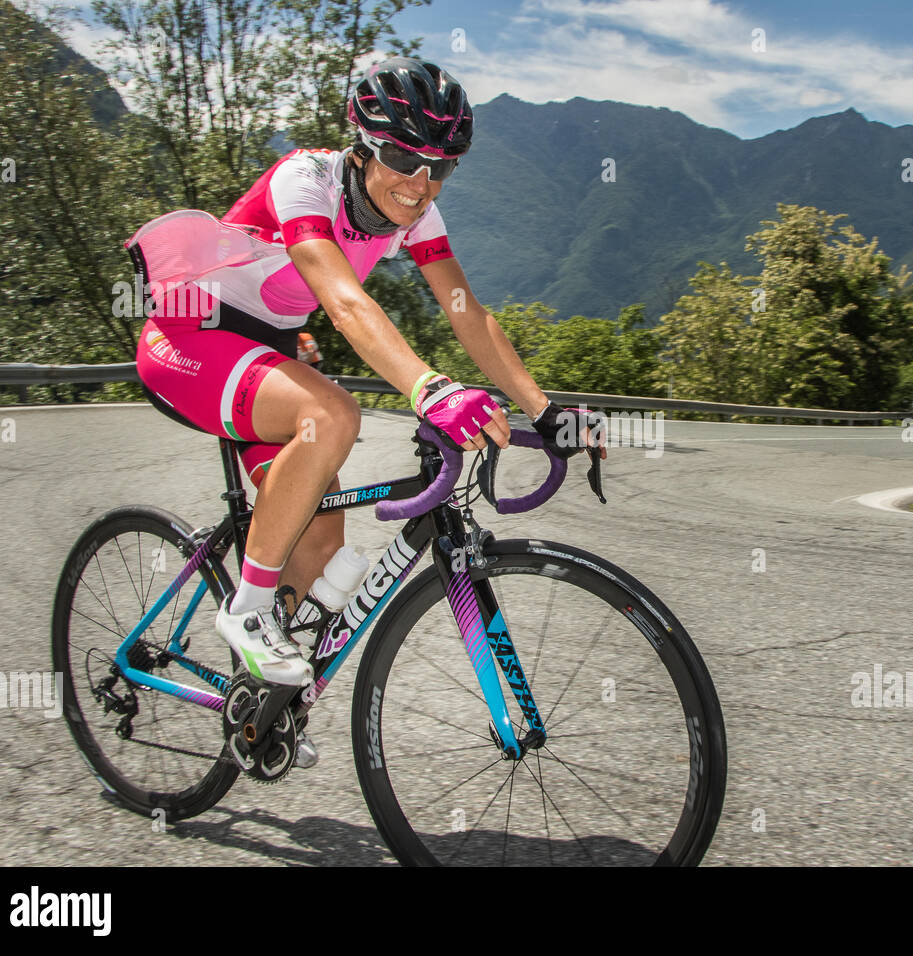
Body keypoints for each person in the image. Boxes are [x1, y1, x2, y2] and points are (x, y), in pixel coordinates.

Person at [131, 58, 605, 731]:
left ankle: (260, 708)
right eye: (403, 157)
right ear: (361, 146)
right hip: (188, 342)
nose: (420, 183)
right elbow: (345, 301)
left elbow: (467, 312)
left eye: (441, 167)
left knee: (322, 536)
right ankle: (244, 612)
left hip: (261, 356)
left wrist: (546, 411)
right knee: (332, 414)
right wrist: (430, 388)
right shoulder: (306, 180)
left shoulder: (415, 210)